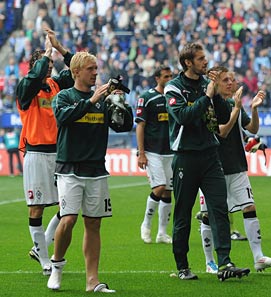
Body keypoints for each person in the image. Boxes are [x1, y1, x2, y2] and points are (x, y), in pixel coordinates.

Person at [47, 51, 134, 292]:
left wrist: (120, 104)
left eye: (96, 68)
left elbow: (124, 126)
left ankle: (92, 280)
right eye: (90, 69)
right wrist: (93, 100)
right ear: (76, 72)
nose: (96, 73)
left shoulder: (103, 100)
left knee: (93, 224)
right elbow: (64, 118)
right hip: (70, 168)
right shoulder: (64, 96)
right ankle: (57, 265)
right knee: (69, 219)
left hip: (96, 169)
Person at [164, 42, 250, 281]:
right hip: (186, 157)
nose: (206, 62)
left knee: (219, 209)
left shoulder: (206, 84)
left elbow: (222, 114)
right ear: (188, 62)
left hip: (211, 155)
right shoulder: (174, 87)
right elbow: (183, 117)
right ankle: (182, 266)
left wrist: (222, 96)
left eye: (205, 57)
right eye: (201, 58)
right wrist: (207, 95)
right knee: (182, 213)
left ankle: (225, 263)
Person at [198, 67, 271, 273]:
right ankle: (210, 262)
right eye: (225, 80)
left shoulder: (233, 104)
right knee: (208, 215)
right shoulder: (211, 105)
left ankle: (258, 257)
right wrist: (236, 108)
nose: (230, 83)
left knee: (249, 207)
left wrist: (253, 108)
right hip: (212, 169)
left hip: (236, 166)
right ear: (215, 83)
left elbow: (252, 129)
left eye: (233, 80)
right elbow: (223, 133)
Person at [15, 27, 74, 276]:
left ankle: (41, 247)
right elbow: (38, 72)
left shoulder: (56, 84)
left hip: (59, 152)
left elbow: (77, 69)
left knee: (69, 205)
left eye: (50, 64)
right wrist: (47, 54)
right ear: (34, 66)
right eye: (44, 63)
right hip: (37, 153)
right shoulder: (26, 88)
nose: (49, 67)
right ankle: (44, 261)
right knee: (36, 207)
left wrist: (59, 48)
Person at [136, 65, 174, 244]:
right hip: (153, 152)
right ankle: (146, 224)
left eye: (171, 76)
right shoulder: (147, 98)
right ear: (157, 78)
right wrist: (141, 153)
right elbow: (140, 126)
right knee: (159, 187)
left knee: (168, 192)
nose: (169, 79)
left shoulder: (175, 98)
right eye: (166, 77)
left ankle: (162, 233)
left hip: (171, 152)